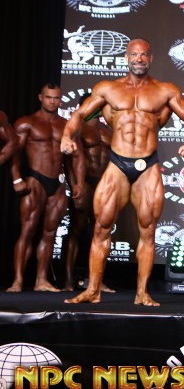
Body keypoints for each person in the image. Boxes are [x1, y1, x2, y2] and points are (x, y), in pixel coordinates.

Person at [61, 38, 184, 306]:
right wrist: (67, 136)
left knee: (148, 230)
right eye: (134, 55)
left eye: (144, 55)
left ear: (151, 58)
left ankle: (142, 293)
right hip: (117, 164)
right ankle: (93, 290)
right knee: (101, 227)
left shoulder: (165, 90)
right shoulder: (108, 89)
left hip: (147, 166)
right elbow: (79, 115)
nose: (139, 59)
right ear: (127, 57)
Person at [8, 84, 77, 292]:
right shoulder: (27, 123)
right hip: (35, 179)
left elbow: (70, 160)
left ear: (60, 100)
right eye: (48, 97)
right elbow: (14, 152)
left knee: (50, 233)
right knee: (27, 230)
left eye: (56, 98)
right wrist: (16, 179)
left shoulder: (66, 126)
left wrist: (74, 184)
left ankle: (41, 280)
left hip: (57, 183)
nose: (52, 101)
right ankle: (18, 281)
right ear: (40, 97)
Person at [64, 93, 114, 292]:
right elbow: (69, 160)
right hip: (85, 182)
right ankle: (68, 281)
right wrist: (75, 185)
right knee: (76, 230)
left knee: (101, 232)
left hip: (104, 184)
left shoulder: (108, 130)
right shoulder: (77, 128)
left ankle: (97, 281)